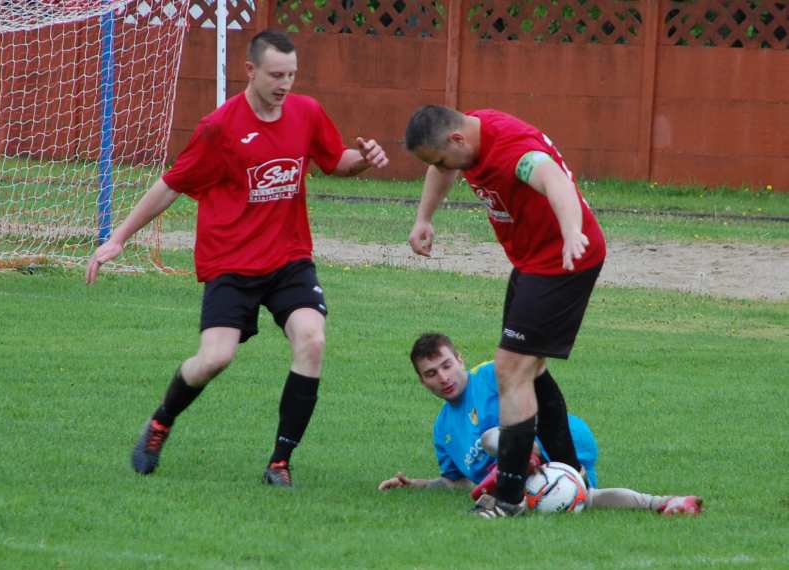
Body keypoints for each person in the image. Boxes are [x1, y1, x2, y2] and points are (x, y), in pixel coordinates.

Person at [85, 29, 389, 486]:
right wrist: (120, 237)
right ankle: (161, 422)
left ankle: (280, 463)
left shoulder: (305, 113)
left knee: (313, 340)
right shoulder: (220, 127)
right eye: (275, 75)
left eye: (291, 74)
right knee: (215, 358)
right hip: (231, 262)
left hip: (289, 258)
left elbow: (335, 161)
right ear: (250, 71)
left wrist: (364, 159)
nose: (284, 84)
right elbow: (172, 183)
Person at [405, 105, 606, 517]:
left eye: (441, 158)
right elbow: (441, 169)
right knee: (531, 368)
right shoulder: (467, 135)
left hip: (563, 262)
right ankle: (572, 473)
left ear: (457, 141)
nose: (441, 168)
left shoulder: (513, 151)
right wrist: (424, 217)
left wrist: (571, 233)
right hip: (533, 262)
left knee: (510, 368)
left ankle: (510, 499)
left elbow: (553, 179)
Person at [377, 333, 703, 517]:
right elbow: (457, 482)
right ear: (422, 382)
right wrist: (417, 485)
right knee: (585, 500)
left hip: (561, 442)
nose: (444, 377)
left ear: (460, 359)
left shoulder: (493, 372)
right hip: (536, 480)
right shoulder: (442, 431)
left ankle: (523, 456)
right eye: (431, 373)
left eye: (447, 365)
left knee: (494, 438)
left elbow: (547, 400)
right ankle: (662, 502)